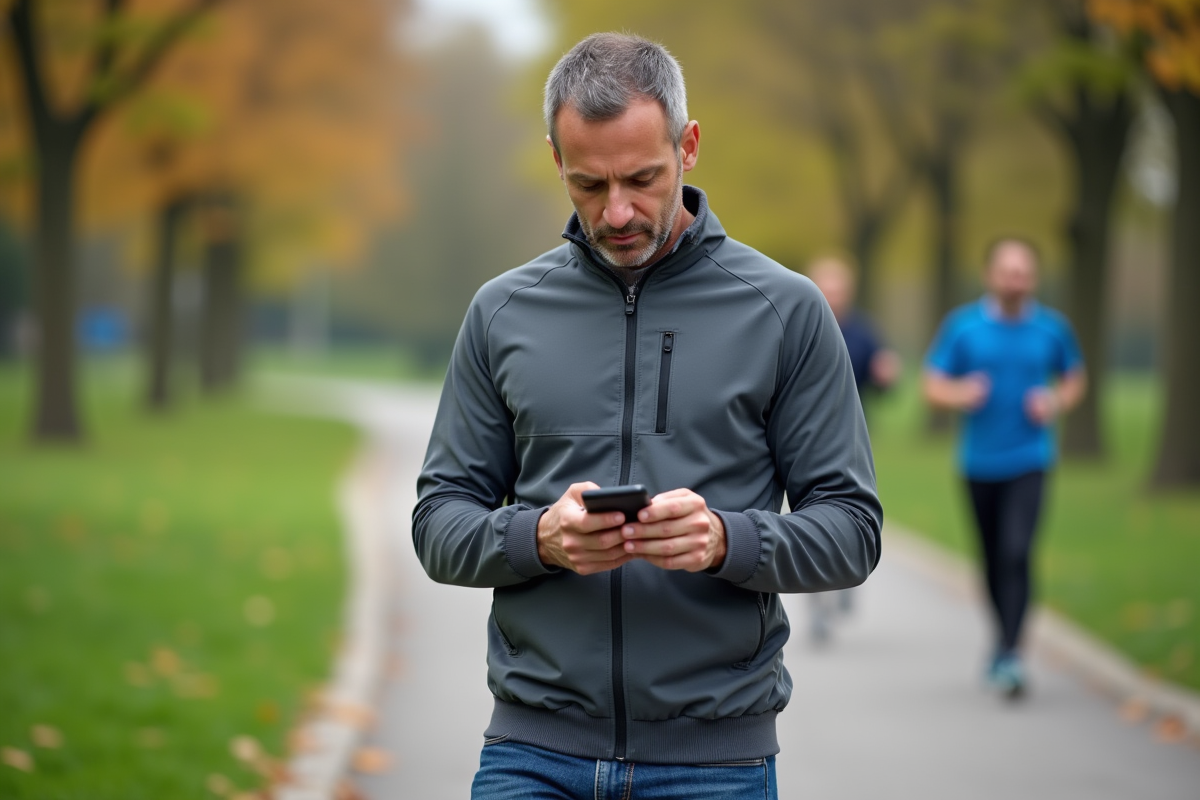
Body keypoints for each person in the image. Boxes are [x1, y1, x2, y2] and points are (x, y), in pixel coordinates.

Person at [413, 33, 881, 799]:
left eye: (642, 178)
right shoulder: (502, 312)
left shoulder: (786, 311)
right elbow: (438, 522)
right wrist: (539, 537)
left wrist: (725, 539)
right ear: (556, 160)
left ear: (688, 147)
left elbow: (852, 531)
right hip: (532, 754)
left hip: (716, 765)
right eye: (588, 184)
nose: (618, 211)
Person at [922, 237, 1086, 700]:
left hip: (1030, 459)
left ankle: (1012, 654)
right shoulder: (964, 327)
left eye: (1024, 272)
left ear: (1034, 278)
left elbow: (1074, 377)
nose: (1017, 280)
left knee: (1017, 551)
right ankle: (1002, 640)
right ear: (989, 275)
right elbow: (932, 384)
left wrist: (1054, 400)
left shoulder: (1052, 329)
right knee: (993, 558)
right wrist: (961, 393)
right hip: (978, 463)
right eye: (1009, 271)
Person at [806, 256, 899, 642]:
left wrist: (886, 376)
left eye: (838, 291)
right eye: (826, 289)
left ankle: (845, 574)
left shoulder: (864, 333)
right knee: (811, 514)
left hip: (853, 438)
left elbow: (885, 386)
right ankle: (819, 605)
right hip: (806, 437)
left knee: (849, 509)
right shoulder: (799, 325)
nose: (833, 297)